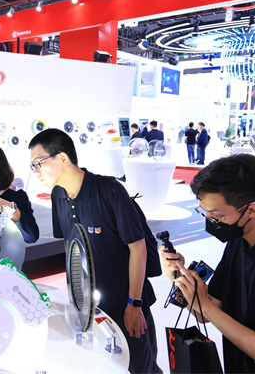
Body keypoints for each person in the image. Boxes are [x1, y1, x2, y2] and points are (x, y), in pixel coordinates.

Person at [28, 129, 161, 374]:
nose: (35, 171)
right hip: (90, 307)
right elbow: (69, 244)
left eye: (38, 163)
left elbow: (138, 248)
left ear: (62, 158)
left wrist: (134, 304)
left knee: (141, 367)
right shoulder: (58, 195)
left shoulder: (109, 189)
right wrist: (76, 297)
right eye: (32, 165)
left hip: (126, 303)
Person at [160, 154, 255, 373]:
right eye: (204, 212)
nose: (210, 222)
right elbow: (207, 313)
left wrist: (206, 307)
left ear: (252, 210)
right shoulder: (239, 240)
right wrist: (179, 279)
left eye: (217, 216)